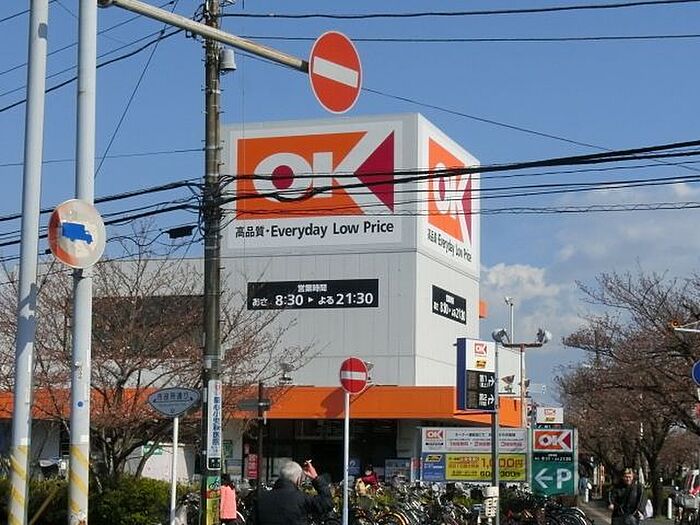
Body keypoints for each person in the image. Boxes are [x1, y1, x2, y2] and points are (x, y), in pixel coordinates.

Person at [248, 459, 333, 525]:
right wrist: (316, 478)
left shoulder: (261, 499)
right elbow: (327, 503)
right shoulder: (302, 498)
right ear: (298, 479)